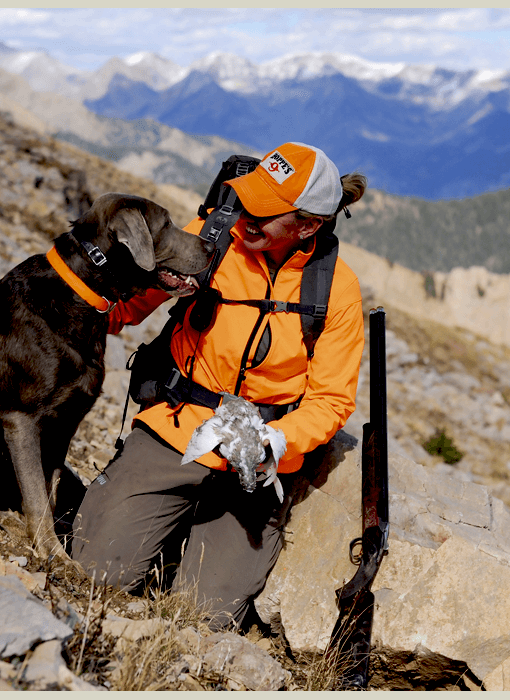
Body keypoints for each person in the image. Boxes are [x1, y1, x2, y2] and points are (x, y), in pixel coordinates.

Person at [71, 142, 367, 630]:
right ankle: (158, 530)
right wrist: (73, 288)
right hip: (174, 427)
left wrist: (278, 443)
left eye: (266, 212)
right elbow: (122, 307)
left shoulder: (335, 289)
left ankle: (183, 542)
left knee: (203, 619)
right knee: (95, 575)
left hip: (255, 467)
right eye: (247, 200)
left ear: (308, 224)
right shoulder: (205, 239)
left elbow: (331, 399)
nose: (247, 216)